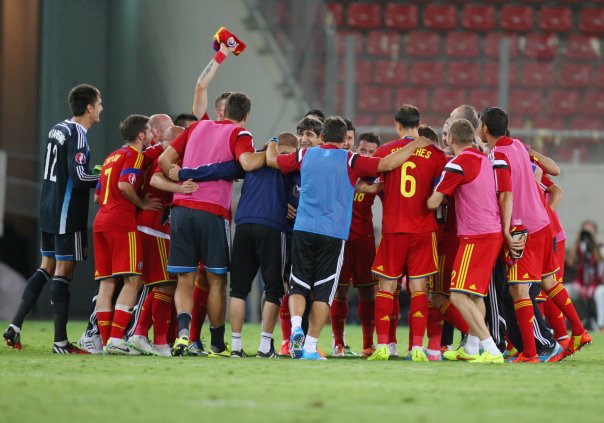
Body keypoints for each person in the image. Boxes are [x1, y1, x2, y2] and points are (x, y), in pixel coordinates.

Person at [267, 116, 431, 360]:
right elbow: (387, 163)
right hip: (333, 234)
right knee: (324, 291)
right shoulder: (351, 159)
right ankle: (310, 346)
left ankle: (296, 327)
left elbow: (272, 160)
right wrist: (414, 144)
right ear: (345, 139)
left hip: (303, 229)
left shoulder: (305, 155)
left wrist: (273, 141)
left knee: (298, 284)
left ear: (322, 136)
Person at [478, 107, 591, 362]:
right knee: (549, 282)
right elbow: (549, 171)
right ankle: (579, 331)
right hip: (543, 223)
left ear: (485, 128)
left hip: (522, 227)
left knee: (518, 290)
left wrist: (506, 230)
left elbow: (505, 194)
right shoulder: (519, 146)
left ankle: (530, 352)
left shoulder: (497, 154)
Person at [159, 92, 266, 357]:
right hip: (213, 210)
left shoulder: (196, 127)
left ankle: (183, 335)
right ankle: (217, 343)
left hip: (181, 208)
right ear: (245, 116)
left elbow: (164, 161)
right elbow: (245, 164)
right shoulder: (240, 133)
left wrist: (179, 180)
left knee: (185, 277)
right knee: (216, 280)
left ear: (222, 110)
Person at [3, 84, 103, 353]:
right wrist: (106, 175)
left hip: (48, 207)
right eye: (99, 104)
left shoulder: (57, 128)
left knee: (46, 266)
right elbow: (79, 177)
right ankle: (60, 342)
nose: (101, 108)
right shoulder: (78, 133)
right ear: (89, 107)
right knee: (64, 271)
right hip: (66, 211)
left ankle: (15, 325)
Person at [360, 105, 448, 362]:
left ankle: (383, 345)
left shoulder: (385, 151)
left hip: (393, 230)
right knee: (420, 289)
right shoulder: (436, 155)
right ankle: (417, 347)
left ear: (397, 125)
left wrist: (382, 187)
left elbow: (365, 184)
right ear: (419, 124)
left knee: (386, 287)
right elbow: (441, 195)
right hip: (423, 230)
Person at [427, 118, 507, 363]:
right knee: (475, 296)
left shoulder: (458, 164)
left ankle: (491, 349)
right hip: (492, 232)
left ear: (451, 139)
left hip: (476, 235)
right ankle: (471, 348)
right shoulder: (484, 159)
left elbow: (433, 202)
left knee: (458, 295)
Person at [93, 114, 163, 354]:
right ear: (141, 135)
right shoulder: (134, 155)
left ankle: (106, 342)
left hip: (101, 222)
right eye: (150, 131)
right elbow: (125, 185)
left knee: (107, 283)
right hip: (122, 222)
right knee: (133, 280)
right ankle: (116, 339)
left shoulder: (111, 156)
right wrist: (141, 203)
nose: (153, 135)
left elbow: (97, 195)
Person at [331, 132, 381, 357]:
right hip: (340, 238)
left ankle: (368, 345)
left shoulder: (376, 175)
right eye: (363, 150)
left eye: (372, 152)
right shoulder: (343, 168)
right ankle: (338, 344)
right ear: (356, 150)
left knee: (368, 292)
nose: (367, 155)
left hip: (365, 240)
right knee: (340, 291)